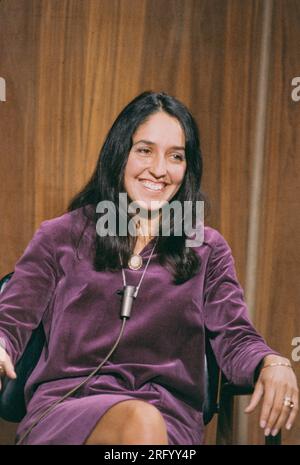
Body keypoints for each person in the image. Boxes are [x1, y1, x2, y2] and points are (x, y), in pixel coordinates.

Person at [0, 91, 298, 445]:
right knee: (140, 422)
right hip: (67, 413)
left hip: (169, 424)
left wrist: (272, 363)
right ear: (119, 153)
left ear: (188, 168)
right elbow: (12, 318)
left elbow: (234, 336)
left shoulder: (206, 249)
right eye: (144, 150)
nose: (159, 169)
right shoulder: (60, 236)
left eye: (175, 156)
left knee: (146, 422)